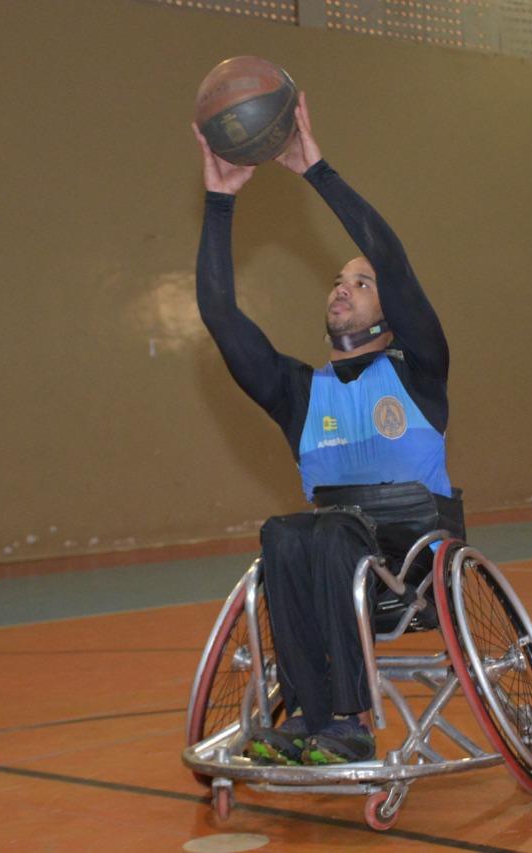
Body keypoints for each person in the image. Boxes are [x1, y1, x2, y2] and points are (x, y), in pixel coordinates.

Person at [192, 93, 463, 766]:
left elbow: (391, 259)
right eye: (338, 281)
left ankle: (348, 721)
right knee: (284, 531)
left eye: (360, 283)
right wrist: (219, 201)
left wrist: (315, 169)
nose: (343, 288)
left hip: (411, 564)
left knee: (332, 531)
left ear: (388, 311)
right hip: (330, 563)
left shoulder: (419, 369)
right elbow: (221, 314)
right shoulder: (298, 393)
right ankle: (314, 717)